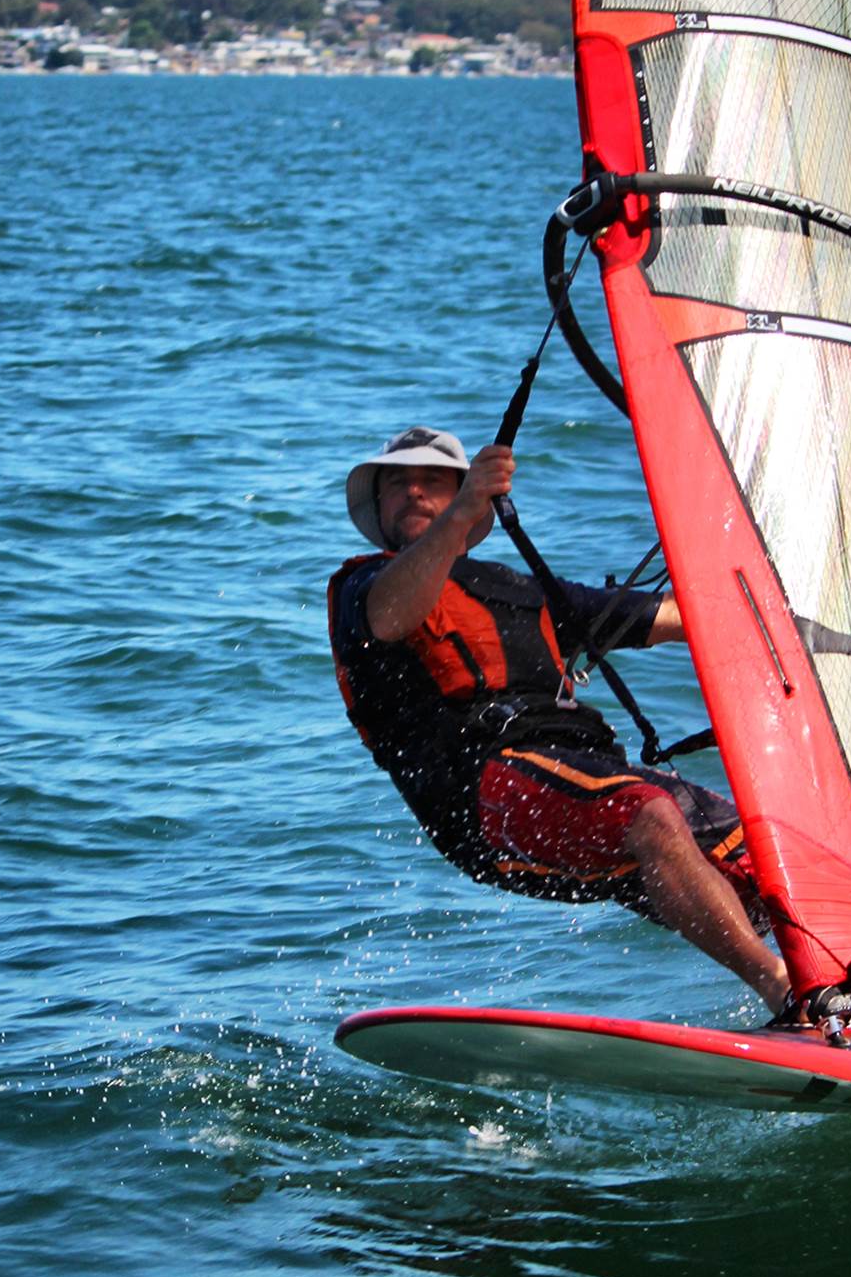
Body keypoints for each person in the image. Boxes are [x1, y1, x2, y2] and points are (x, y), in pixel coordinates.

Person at [328, 425, 791, 1015]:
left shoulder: (524, 589)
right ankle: (784, 989)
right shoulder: (362, 588)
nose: (415, 491)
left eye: (434, 481)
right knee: (649, 816)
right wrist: (462, 509)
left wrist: (783, 612)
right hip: (482, 796)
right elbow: (394, 614)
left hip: (581, 775)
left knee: (772, 858)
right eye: (398, 483)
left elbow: (683, 618)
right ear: (378, 507)